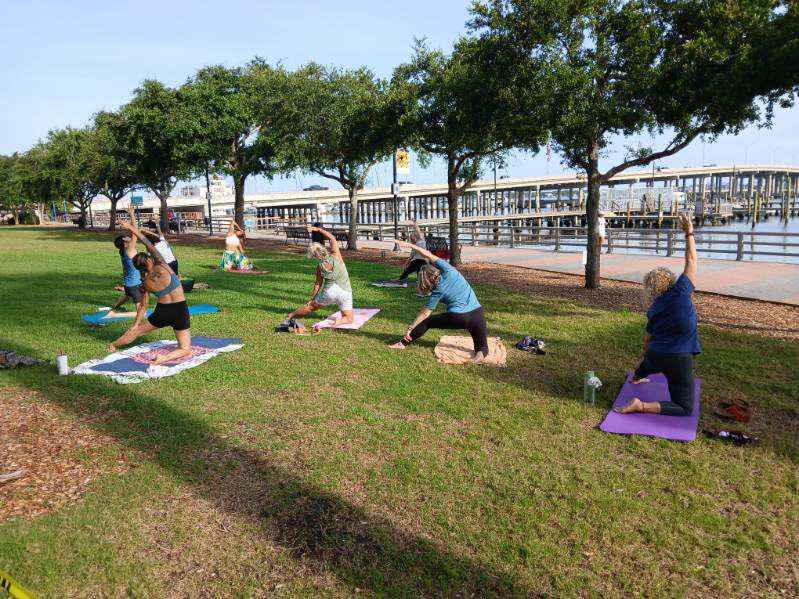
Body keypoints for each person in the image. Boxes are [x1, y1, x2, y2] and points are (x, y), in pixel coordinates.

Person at [616, 214, 699, 416]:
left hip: (656, 356)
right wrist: (688, 232)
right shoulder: (681, 289)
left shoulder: (654, 308)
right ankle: (640, 405)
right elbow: (691, 258)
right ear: (671, 280)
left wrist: (643, 360)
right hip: (679, 359)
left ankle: (637, 374)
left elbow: (647, 339)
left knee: (646, 367)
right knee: (685, 408)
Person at [107, 220, 192, 365]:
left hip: (162, 312)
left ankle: (113, 345)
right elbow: (148, 243)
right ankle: (163, 359)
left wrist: (136, 325)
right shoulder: (163, 266)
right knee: (184, 349)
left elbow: (143, 307)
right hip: (179, 309)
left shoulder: (145, 284)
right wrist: (131, 228)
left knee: (137, 332)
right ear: (148, 259)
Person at [389, 240, 489, 363]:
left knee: (428, 322)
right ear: (435, 270)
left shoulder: (437, 292)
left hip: (458, 317)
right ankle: (478, 356)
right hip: (477, 313)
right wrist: (411, 245)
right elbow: (428, 254)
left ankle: (402, 344)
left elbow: (425, 314)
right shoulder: (450, 270)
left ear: (425, 280)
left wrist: (411, 327)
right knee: (482, 346)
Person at [284, 226, 354, 328]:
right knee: (349, 318)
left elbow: (318, 284)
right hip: (345, 292)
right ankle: (339, 322)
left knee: (311, 307)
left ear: (314, 256)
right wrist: (319, 229)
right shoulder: (336, 255)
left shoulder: (320, 266)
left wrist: (312, 298)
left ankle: (291, 315)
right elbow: (332, 238)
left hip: (329, 293)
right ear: (323, 249)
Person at [132, 205, 180, 275]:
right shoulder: (163, 242)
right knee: (175, 279)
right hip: (175, 262)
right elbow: (159, 234)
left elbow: (149, 257)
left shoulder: (154, 249)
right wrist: (156, 225)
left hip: (166, 266)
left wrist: (140, 232)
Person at [110, 222, 144, 312]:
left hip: (129, 283)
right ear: (124, 242)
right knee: (140, 306)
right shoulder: (129, 250)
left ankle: (116, 306)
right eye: (125, 236)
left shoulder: (123, 251)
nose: (127, 236)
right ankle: (140, 320)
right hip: (134, 284)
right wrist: (132, 214)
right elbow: (135, 233)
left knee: (127, 295)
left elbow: (133, 233)